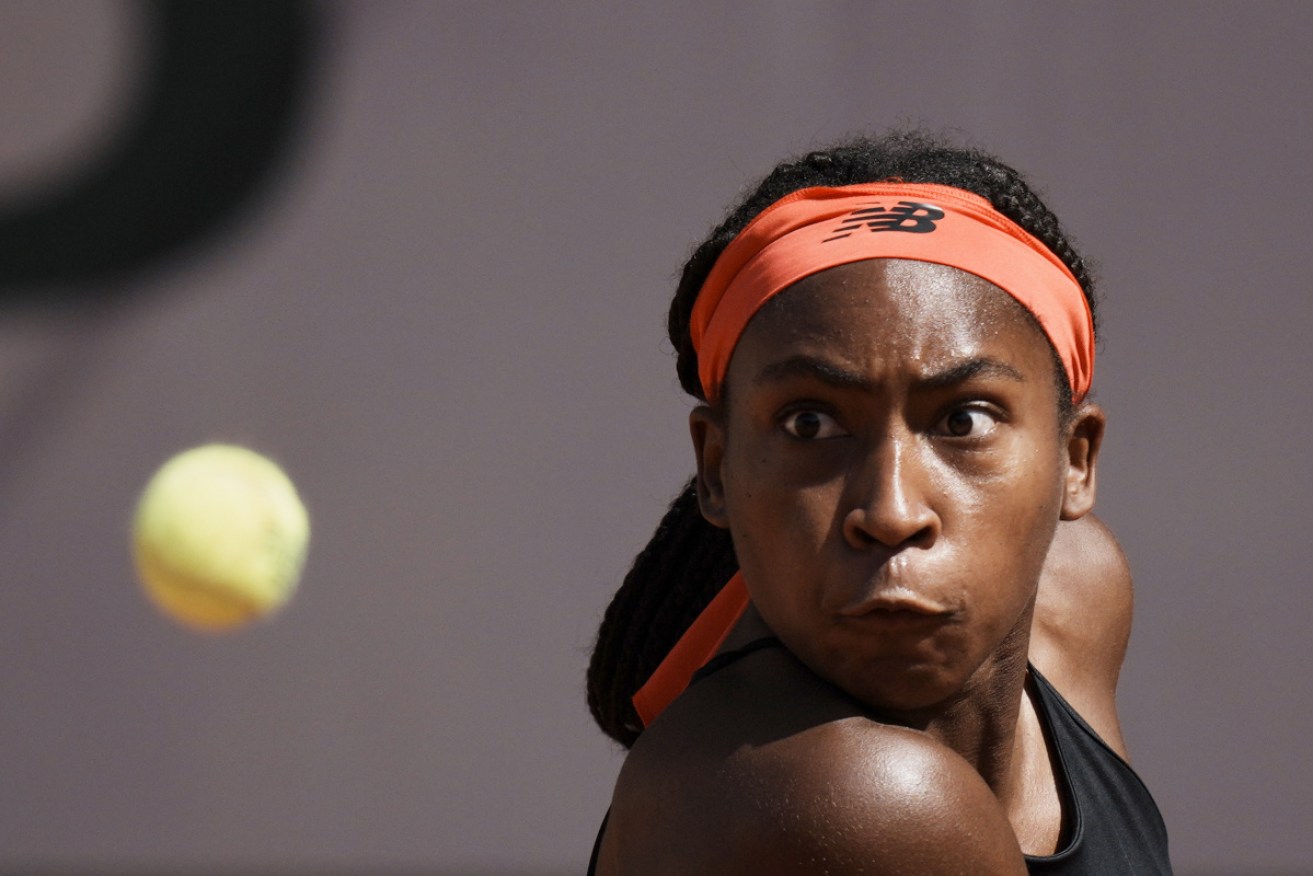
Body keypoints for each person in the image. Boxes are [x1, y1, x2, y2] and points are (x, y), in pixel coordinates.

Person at [586, 131, 1172, 874]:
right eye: (810, 424)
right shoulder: (857, 802)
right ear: (717, 466)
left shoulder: (1076, 594)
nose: (892, 512)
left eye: (964, 421)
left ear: (1073, 459)